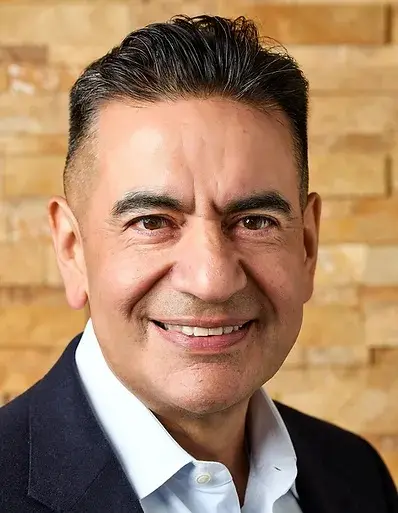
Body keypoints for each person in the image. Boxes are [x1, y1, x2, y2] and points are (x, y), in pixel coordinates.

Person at [0, 14, 397, 513]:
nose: (211, 280)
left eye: (254, 221)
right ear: (71, 250)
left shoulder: (358, 477)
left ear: (307, 245)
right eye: (151, 222)